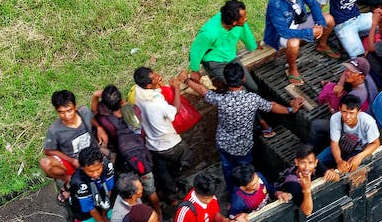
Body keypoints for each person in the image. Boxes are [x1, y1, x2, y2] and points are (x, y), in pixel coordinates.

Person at [184, 62, 302, 191]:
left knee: (228, 170)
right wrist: (291, 109)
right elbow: (272, 106)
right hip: (243, 147)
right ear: (243, 79)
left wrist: (186, 80)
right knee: (246, 172)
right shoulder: (252, 99)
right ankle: (248, 192)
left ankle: (232, 192)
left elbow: (202, 90)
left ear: (226, 80)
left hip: (224, 144)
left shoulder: (221, 100)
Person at [92, 85, 161, 213]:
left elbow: (94, 112)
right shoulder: (134, 109)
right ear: (122, 100)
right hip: (143, 157)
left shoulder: (106, 121)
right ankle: (158, 212)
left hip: (126, 162)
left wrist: (96, 96)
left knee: (132, 191)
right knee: (151, 189)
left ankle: (142, 214)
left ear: (106, 107)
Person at [133, 67, 192, 207]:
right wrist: (176, 88)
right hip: (170, 145)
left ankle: (171, 197)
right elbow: (175, 111)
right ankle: (179, 176)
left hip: (153, 145)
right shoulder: (157, 103)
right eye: (154, 78)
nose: (159, 76)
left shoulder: (138, 92)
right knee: (187, 156)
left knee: (163, 172)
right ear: (148, 85)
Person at [265, 0, 328, 85]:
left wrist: (319, 23)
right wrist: (309, 32)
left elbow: (313, 4)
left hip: (300, 21)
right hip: (280, 34)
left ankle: (322, 45)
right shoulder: (275, 3)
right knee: (293, 43)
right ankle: (292, 68)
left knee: (328, 19)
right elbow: (283, 31)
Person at [189, 0, 261, 93]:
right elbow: (196, 49)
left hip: (231, 57)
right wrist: (194, 70)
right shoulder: (209, 33)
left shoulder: (239, 22)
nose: (246, 18)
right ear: (234, 22)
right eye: (243, 17)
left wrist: (253, 46)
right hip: (215, 63)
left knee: (253, 87)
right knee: (242, 91)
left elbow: (245, 33)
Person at [40, 90, 98, 187]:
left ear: (75, 106)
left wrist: (100, 128)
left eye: (69, 110)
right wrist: (72, 161)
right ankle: (69, 180)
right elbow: (48, 151)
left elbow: (93, 119)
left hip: (91, 155)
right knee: (45, 163)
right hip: (72, 161)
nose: (67, 116)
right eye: (61, 112)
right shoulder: (54, 130)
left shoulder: (85, 112)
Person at [318, 93, 381, 173]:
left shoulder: (368, 122)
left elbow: (376, 143)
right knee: (317, 162)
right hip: (341, 146)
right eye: (344, 112)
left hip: (359, 150)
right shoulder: (335, 118)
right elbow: (334, 142)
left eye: (351, 113)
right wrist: (339, 160)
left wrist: (359, 157)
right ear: (340, 109)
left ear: (358, 112)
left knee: (347, 170)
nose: (347, 116)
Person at [172, 173, 244, 222]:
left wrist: (225, 220)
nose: (209, 201)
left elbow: (215, 213)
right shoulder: (185, 211)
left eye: (211, 197)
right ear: (197, 192)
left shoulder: (211, 195)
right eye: (205, 198)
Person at [278, 145, 339, 217]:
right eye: (303, 162)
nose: (307, 167)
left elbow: (337, 178)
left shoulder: (317, 164)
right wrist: (306, 190)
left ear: (315, 162)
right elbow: (307, 212)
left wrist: (333, 174)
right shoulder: (292, 182)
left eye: (310, 163)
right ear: (296, 162)